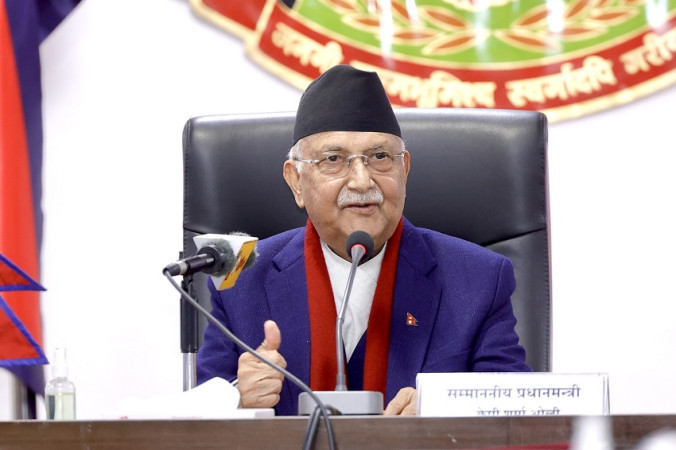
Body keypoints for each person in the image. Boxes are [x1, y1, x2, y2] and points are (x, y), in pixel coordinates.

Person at [196, 64, 530, 416]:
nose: (361, 181)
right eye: (333, 160)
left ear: (404, 170)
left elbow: (516, 409)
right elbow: (195, 422)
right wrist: (236, 398)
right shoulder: (241, 278)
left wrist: (444, 409)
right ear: (296, 181)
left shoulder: (478, 278)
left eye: (380, 157)